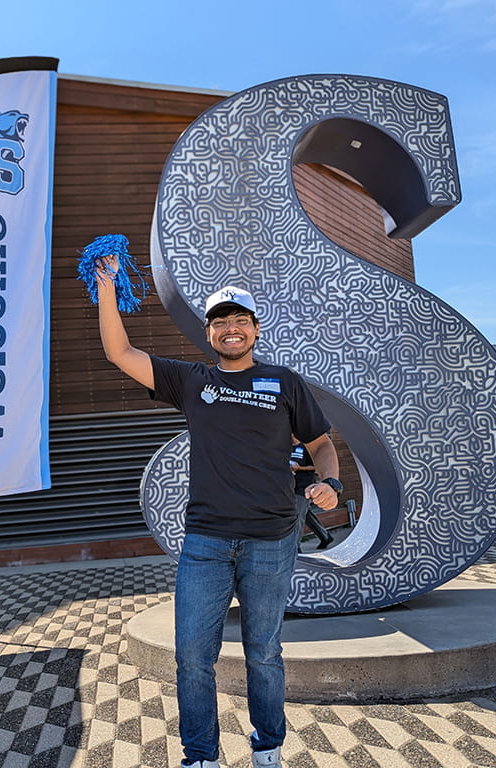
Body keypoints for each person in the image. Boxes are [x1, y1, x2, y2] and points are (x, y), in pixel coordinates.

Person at [95, 261, 341, 768]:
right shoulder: (192, 381)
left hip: (271, 540)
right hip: (205, 541)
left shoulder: (284, 382)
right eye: (220, 321)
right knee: (192, 657)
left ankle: (268, 747)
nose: (231, 328)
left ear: (254, 327)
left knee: (264, 653)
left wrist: (331, 484)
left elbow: (321, 444)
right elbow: (120, 353)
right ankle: (201, 755)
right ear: (208, 333)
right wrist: (105, 287)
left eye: (240, 320)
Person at [290, 436, 335, 550]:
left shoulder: (307, 447)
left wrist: (300, 468)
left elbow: (315, 466)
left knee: (298, 515)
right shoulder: (288, 447)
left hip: (305, 487)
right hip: (291, 486)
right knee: (306, 513)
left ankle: (295, 547)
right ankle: (325, 536)